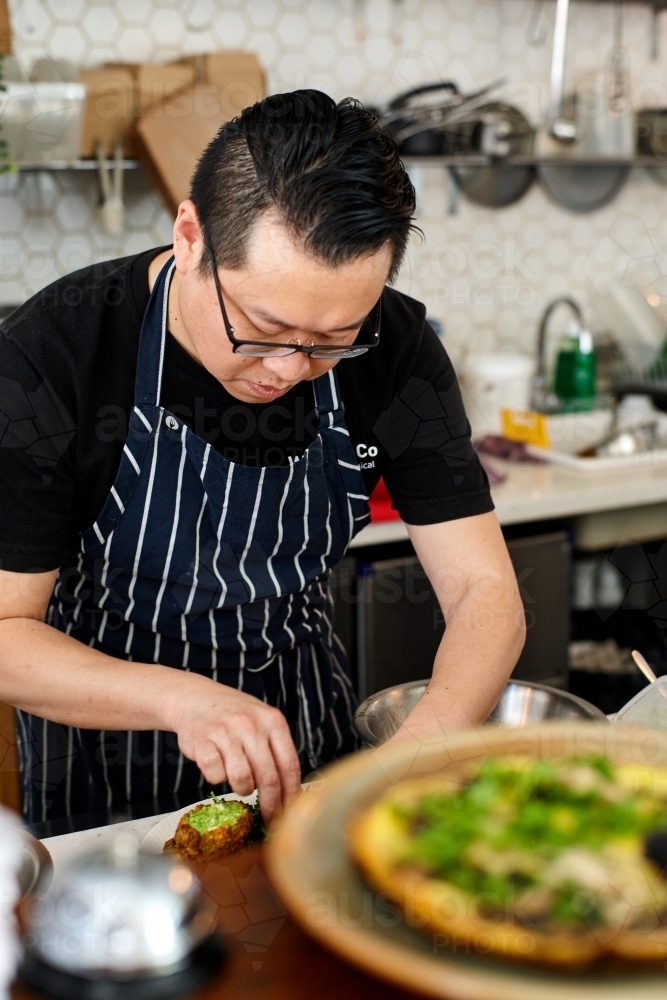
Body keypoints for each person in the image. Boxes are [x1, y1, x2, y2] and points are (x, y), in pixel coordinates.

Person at [0, 90, 525, 826]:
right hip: (103, 753)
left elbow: (482, 590)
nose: (287, 369)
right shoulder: (56, 354)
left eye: (332, 339)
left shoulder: (396, 350)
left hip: (303, 725)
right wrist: (181, 699)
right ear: (190, 237)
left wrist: (421, 749)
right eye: (260, 328)